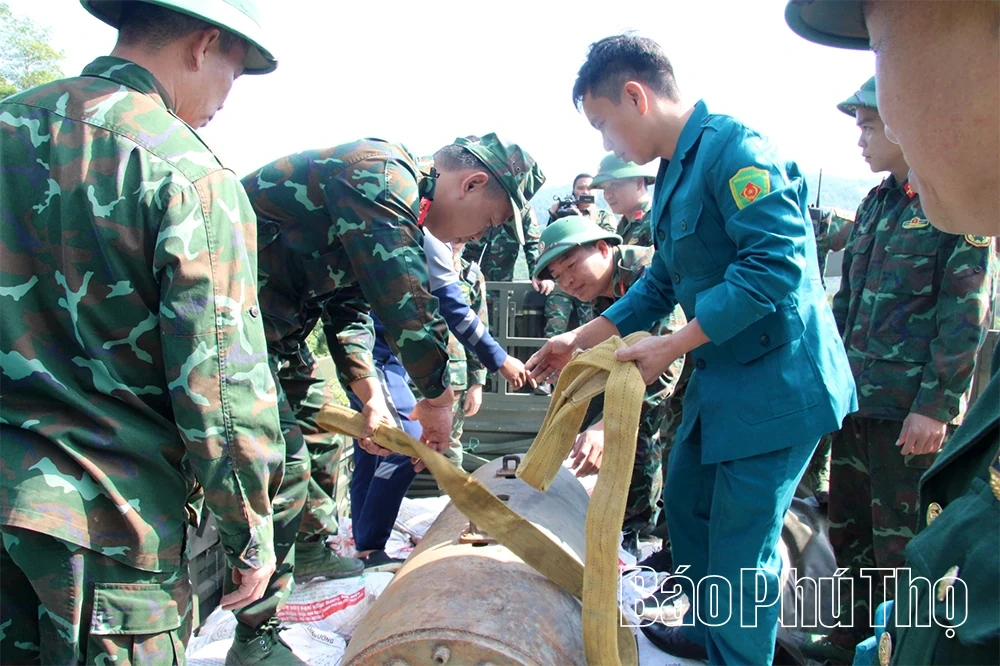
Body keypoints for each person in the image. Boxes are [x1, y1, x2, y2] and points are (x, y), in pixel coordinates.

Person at [527, 34, 856, 664]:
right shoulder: (678, 171)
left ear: (635, 95)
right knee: (685, 503)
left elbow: (773, 268)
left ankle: (738, 653)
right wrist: (581, 336)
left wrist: (673, 344)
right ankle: (712, 637)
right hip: (723, 378)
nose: (606, 145)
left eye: (603, 124)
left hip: (777, 384)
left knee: (740, 546)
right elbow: (662, 281)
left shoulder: (737, 151)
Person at [0, 1, 286, 664]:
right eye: (233, 73)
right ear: (203, 45)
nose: (224, 99)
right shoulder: (188, 175)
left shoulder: (10, 123)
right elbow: (219, 382)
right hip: (103, 531)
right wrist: (250, 531)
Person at [786, 2, 999, 665]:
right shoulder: (880, 204)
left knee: (908, 540)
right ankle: (854, 638)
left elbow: (963, 314)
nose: (863, 136)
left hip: (910, 407)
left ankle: (902, 642)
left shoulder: (955, 209)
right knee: (852, 530)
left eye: (870, 121)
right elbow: (848, 303)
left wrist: (936, 404)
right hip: (862, 398)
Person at [241, 133, 542, 585]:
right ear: (472, 184)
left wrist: (370, 398)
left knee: (321, 439)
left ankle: (306, 551)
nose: (482, 235)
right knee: (283, 460)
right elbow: (405, 300)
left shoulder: (402, 210)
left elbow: (349, 309)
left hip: (277, 337)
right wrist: (439, 402)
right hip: (230, 330)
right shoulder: (381, 177)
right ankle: (259, 609)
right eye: (490, 221)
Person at [532, 216, 685, 552]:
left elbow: (665, 364)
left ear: (603, 248)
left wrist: (605, 426)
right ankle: (632, 532)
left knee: (684, 479)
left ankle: (645, 538)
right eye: (557, 277)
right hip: (660, 389)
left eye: (571, 265)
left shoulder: (646, 273)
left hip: (700, 387)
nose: (567, 281)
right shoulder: (601, 294)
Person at [590, 153, 657, 246]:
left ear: (638, 183)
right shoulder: (624, 224)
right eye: (604, 188)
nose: (608, 195)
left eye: (614, 185)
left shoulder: (656, 220)